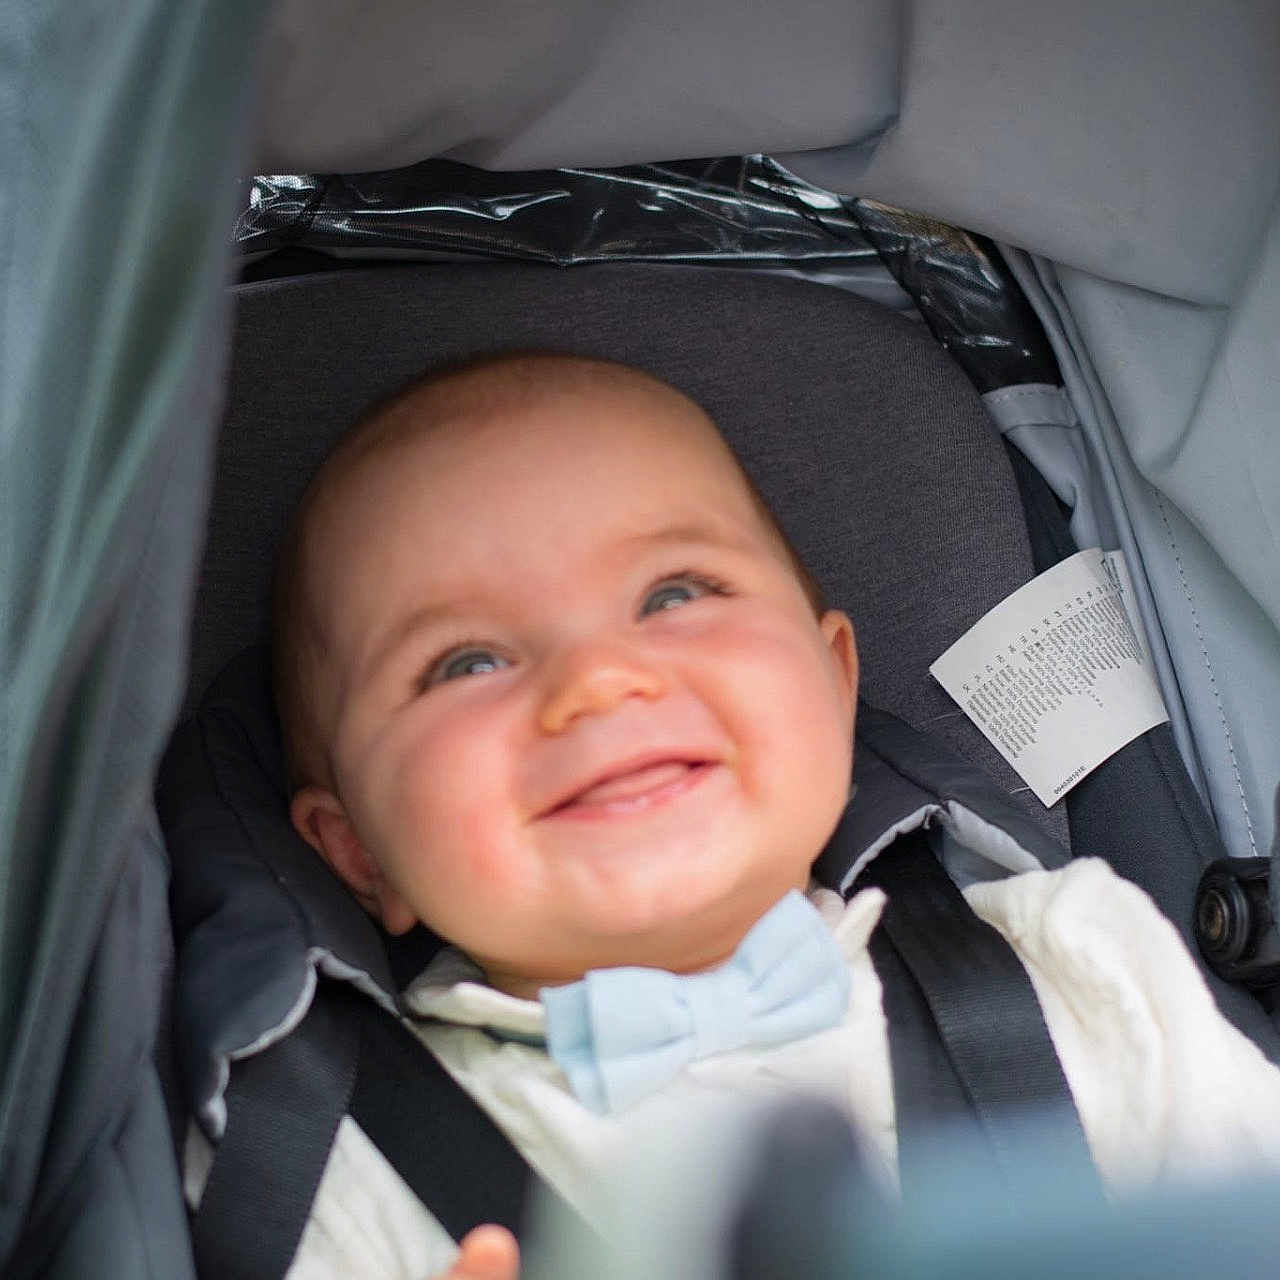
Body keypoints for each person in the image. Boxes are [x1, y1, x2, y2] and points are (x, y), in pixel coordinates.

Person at [265, 351, 1280, 1279]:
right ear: (356, 847)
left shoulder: (1082, 970)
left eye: (672, 593)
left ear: (833, 685)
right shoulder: (336, 1165)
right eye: (465, 662)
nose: (599, 678)